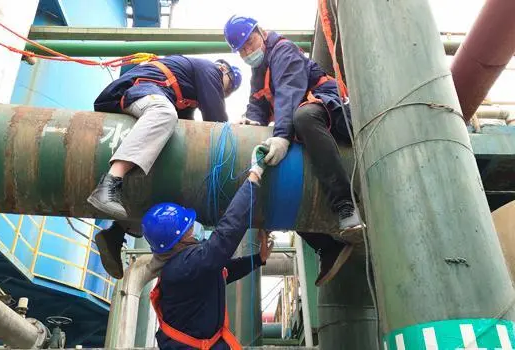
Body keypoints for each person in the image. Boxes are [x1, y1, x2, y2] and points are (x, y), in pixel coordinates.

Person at [224, 15, 362, 285]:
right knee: (282, 175)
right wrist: (251, 120)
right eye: (241, 50)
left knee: (303, 118)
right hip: (300, 123)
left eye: (250, 43)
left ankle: (346, 204)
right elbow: (258, 104)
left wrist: (282, 136)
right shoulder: (259, 72)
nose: (247, 52)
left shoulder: (283, 51)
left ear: (261, 32)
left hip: (329, 109)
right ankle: (326, 245)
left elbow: (289, 91)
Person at [88, 56, 242, 278]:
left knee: (164, 159)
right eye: (227, 89)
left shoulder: (185, 94)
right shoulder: (211, 70)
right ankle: (109, 183)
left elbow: (189, 131)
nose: (223, 93)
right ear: (224, 72)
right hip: (136, 89)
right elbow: (216, 120)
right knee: (164, 113)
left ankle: (118, 230)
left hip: (146, 95)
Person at [145, 145, 274, 349]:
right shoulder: (182, 267)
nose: (193, 229)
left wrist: (259, 259)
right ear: (176, 239)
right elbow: (225, 236)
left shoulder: (184, 265)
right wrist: (254, 176)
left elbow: (222, 272)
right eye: (187, 228)